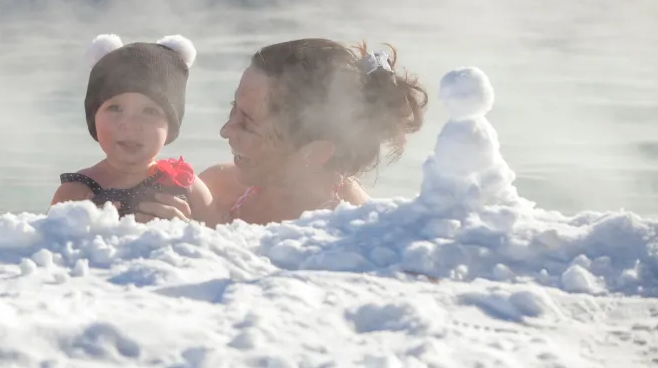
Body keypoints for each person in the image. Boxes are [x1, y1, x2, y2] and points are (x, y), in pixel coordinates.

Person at [137, 38, 427, 225]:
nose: (226, 130)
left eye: (247, 121)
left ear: (313, 152)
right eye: (232, 108)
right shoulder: (218, 187)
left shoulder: (348, 228)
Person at [50, 33, 218, 226]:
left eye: (150, 111)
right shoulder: (75, 192)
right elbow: (46, 247)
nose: (130, 123)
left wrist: (189, 228)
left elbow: (220, 245)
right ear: (93, 117)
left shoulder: (187, 187)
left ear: (170, 126)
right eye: (115, 108)